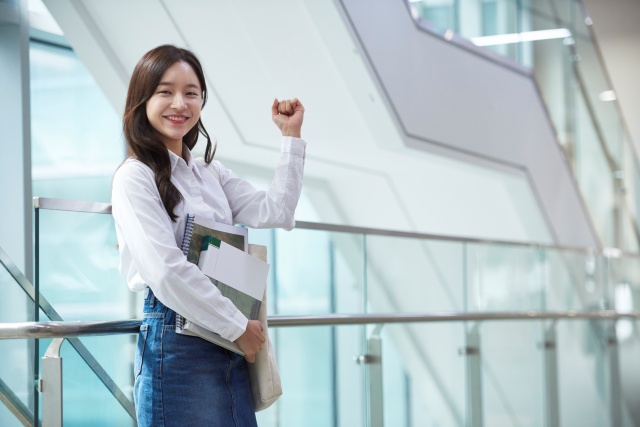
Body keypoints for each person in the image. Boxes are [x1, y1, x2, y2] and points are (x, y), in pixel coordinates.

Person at [111, 44, 306, 426]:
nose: (179, 103)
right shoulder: (134, 176)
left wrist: (290, 138)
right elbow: (166, 272)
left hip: (227, 337)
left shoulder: (209, 173)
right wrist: (237, 327)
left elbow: (277, 210)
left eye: (191, 92)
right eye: (165, 91)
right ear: (142, 99)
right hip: (180, 341)